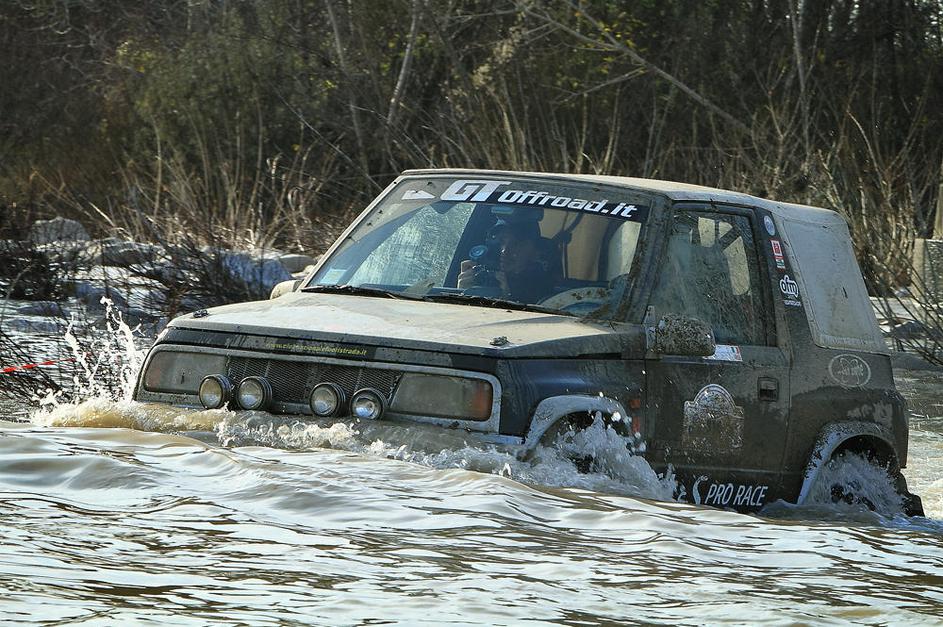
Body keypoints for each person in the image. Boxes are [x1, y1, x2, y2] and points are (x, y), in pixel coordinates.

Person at [456, 219, 558, 304]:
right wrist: (462, 295)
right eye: (501, 242)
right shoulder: (481, 276)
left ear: (536, 252)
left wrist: (506, 300)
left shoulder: (545, 291)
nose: (505, 251)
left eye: (517, 244)